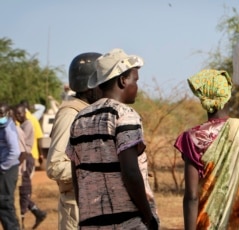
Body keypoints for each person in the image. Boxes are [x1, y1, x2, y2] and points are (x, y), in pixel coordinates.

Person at [66, 48, 159, 230]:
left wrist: (86, 215)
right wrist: (148, 216)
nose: (137, 86)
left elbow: (77, 174)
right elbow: (131, 172)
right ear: (123, 80)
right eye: (135, 80)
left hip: (91, 223)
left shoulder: (80, 118)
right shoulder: (125, 114)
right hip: (129, 222)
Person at [174, 69, 239, 229]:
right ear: (227, 95)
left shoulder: (193, 137)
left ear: (202, 97)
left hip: (207, 223)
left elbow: (191, 196)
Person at [46, 52, 102, 230]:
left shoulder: (92, 110)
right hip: (77, 208)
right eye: (104, 83)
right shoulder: (70, 114)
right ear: (90, 86)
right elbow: (55, 165)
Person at [14, 104, 47, 229]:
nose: (18, 116)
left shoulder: (27, 125)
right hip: (25, 157)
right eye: (16, 114)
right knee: (20, 189)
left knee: (24, 188)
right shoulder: (20, 125)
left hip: (26, 158)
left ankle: (22, 219)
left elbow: (38, 139)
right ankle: (37, 212)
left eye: (19, 113)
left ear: (25, 113)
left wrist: (41, 155)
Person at [0, 102, 21, 230]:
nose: (0, 115)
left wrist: (3, 167)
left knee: (5, 202)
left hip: (7, 169)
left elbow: (15, 151)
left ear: (8, 113)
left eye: (2, 113)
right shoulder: (2, 126)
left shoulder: (8, 127)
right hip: (5, 168)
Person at [18, 100, 44, 165]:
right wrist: (41, 154)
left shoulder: (17, 119)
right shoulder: (34, 119)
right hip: (32, 154)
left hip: (19, 154)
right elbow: (39, 139)